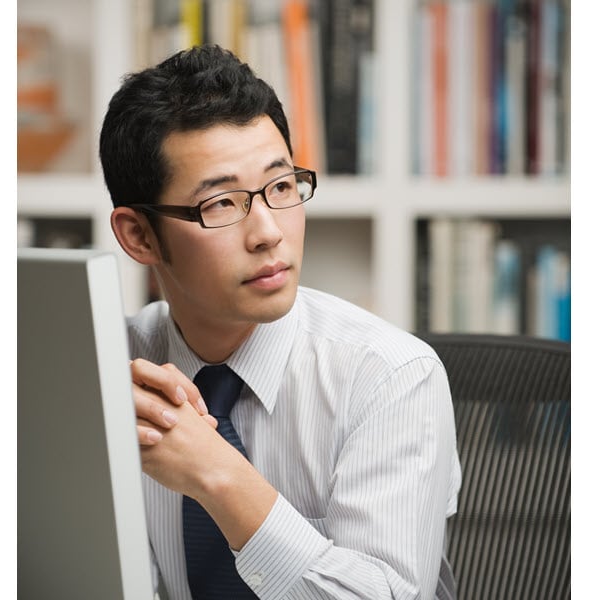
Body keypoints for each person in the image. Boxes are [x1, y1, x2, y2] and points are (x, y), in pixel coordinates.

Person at [101, 44, 462, 600]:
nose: (269, 232)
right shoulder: (111, 370)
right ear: (138, 235)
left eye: (282, 186)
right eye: (221, 203)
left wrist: (217, 476)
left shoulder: (390, 376)